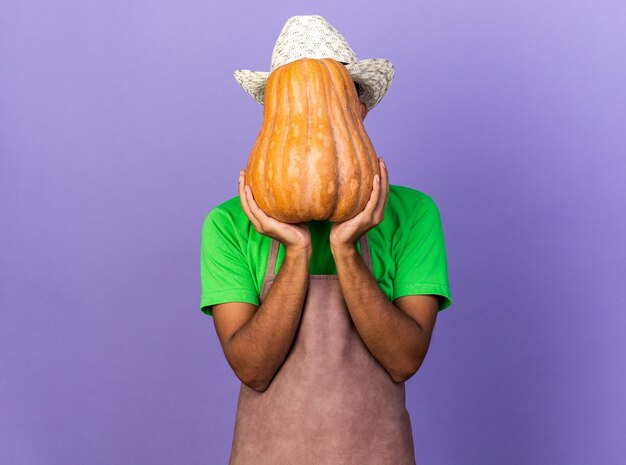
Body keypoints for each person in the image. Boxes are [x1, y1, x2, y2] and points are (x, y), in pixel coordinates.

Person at [200, 15, 453, 465]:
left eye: (333, 96)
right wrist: (295, 250)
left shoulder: (415, 214)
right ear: (273, 112)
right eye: (300, 99)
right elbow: (252, 370)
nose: (315, 112)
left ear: (361, 108)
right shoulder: (227, 223)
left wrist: (345, 249)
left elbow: (404, 360)